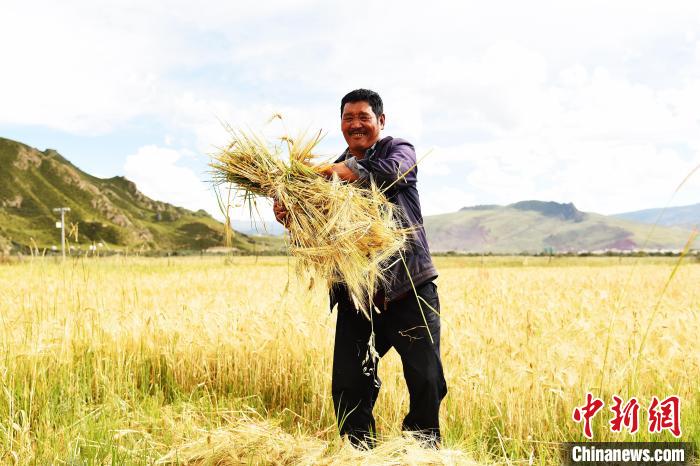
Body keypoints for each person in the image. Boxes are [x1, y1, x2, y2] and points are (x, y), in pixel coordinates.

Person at [274, 89, 447, 448]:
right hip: (358, 293)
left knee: (426, 379)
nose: (355, 124)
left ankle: (422, 450)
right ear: (340, 124)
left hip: (408, 288)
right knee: (350, 383)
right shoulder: (325, 175)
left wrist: (336, 172)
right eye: (348, 118)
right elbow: (319, 234)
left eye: (363, 117)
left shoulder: (399, 151)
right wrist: (293, 216)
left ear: (380, 122)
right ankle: (359, 451)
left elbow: (392, 173)